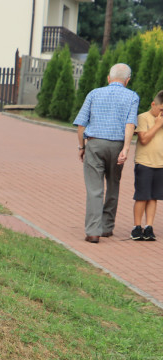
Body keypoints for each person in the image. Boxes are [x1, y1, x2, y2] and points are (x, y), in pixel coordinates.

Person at [73, 63, 139, 244]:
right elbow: (130, 124)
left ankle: (93, 231)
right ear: (127, 80)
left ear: (108, 78)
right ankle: (107, 227)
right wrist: (126, 149)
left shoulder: (94, 93)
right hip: (117, 145)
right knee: (113, 184)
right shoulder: (132, 96)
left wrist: (81, 147)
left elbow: (81, 124)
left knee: (95, 189)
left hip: (95, 144)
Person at [131, 90, 163, 242]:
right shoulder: (143, 118)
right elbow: (143, 139)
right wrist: (157, 125)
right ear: (153, 104)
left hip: (160, 163)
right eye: (161, 109)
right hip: (144, 163)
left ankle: (149, 227)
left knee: (153, 197)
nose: (162, 113)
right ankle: (137, 227)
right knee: (142, 196)